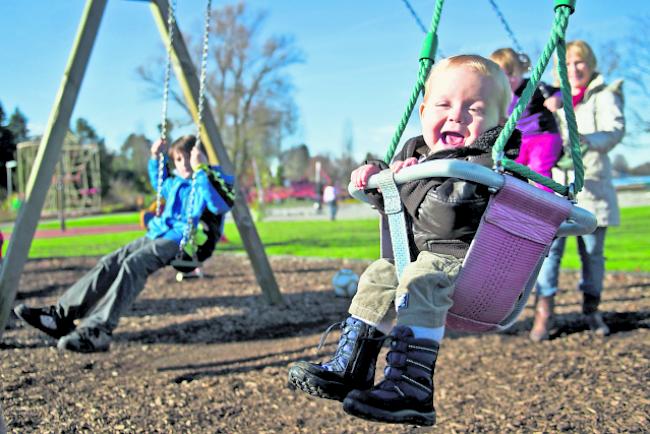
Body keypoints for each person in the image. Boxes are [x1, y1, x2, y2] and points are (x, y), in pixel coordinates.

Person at [287, 55, 520, 426]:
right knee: (379, 275)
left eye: (473, 109)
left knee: (419, 281)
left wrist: (407, 182)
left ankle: (412, 389)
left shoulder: (488, 158)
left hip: (465, 260)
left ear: (498, 122)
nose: (456, 116)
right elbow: (392, 204)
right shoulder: (415, 150)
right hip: (411, 253)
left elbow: (450, 213)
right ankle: (353, 366)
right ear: (424, 110)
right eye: (444, 105)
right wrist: (377, 176)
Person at [13, 135, 235, 353]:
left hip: (186, 242)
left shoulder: (213, 178)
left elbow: (219, 205)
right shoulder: (176, 183)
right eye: (178, 159)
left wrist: (202, 170)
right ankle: (59, 316)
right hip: (158, 234)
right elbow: (159, 182)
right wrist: (155, 157)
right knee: (111, 262)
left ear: (201, 157)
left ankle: (99, 330)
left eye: (189, 157)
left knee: (134, 264)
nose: (184, 163)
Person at [530, 40, 625, 341]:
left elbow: (614, 131)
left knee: (593, 254)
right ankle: (544, 312)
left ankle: (591, 308)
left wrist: (584, 138)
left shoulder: (604, 95)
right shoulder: (552, 98)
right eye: (568, 64)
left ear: (591, 64)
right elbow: (537, 132)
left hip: (592, 185)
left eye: (579, 62)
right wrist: (552, 109)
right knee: (549, 252)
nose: (574, 69)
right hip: (555, 185)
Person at [490, 47, 564, 192]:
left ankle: (547, 200)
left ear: (521, 70)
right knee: (508, 168)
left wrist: (556, 99)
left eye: (511, 74)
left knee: (538, 167)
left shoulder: (533, 86)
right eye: (502, 76)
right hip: (519, 141)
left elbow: (558, 92)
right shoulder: (498, 97)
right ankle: (516, 201)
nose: (508, 80)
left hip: (543, 136)